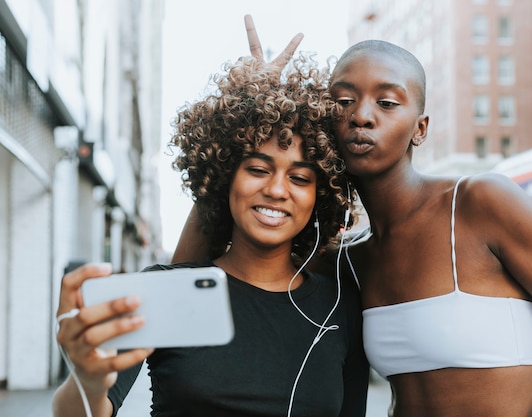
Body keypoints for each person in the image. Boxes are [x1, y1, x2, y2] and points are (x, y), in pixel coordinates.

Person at [172, 17, 532, 417]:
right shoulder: (345, 260)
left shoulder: (480, 203)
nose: (362, 116)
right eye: (343, 101)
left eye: (387, 103)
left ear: (420, 128)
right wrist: (245, 133)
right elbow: (182, 287)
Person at [52, 39, 369, 417]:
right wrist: (86, 378)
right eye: (257, 169)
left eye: (300, 178)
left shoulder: (340, 308)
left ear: (321, 195)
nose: (276, 190)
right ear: (224, 177)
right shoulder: (162, 291)